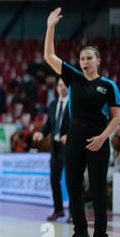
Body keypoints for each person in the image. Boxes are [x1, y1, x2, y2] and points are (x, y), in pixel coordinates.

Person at [44, 7, 120, 237]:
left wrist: (102, 137)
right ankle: (80, 231)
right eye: (82, 58)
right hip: (75, 138)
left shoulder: (109, 86)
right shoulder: (73, 78)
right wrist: (50, 27)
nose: (85, 61)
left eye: (89, 58)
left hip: (98, 138)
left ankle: (101, 235)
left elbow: (117, 118)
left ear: (98, 61)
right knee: (73, 185)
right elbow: (49, 56)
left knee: (97, 188)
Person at [33, 78, 71, 221]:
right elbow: (48, 124)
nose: (62, 87)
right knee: (54, 180)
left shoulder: (74, 105)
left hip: (69, 147)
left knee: (70, 181)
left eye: (64, 85)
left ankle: (74, 214)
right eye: (60, 85)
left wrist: (70, 135)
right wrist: (41, 133)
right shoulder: (53, 104)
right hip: (54, 148)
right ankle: (58, 209)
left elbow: (78, 124)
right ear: (56, 88)